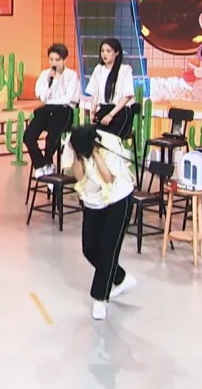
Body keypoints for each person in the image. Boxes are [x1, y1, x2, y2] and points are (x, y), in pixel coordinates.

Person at [60, 124, 137, 321]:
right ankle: (120, 278)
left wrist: (95, 153)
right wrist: (78, 155)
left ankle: (99, 299)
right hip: (93, 201)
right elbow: (78, 177)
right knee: (89, 248)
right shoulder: (73, 144)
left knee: (108, 249)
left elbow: (108, 178)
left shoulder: (109, 143)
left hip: (118, 198)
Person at [25, 43, 81, 179]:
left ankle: (49, 163)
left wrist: (53, 100)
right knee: (28, 136)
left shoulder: (72, 75)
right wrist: (50, 82)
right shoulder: (45, 74)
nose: (54, 63)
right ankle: (40, 164)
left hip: (64, 111)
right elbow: (42, 97)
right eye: (51, 59)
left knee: (52, 138)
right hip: (47, 110)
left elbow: (69, 99)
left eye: (57, 60)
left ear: (64, 59)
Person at [85, 38, 135, 138]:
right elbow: (94, 94)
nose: (104, 54)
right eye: (102, 51)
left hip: (120, 111)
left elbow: (127, 96)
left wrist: (111, 115)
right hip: (103, 110)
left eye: (108, 51)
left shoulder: (125, 70)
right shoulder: (98, 69)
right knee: (91, 137)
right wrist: (93, 112)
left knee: (109, 139)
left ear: (116, 53)